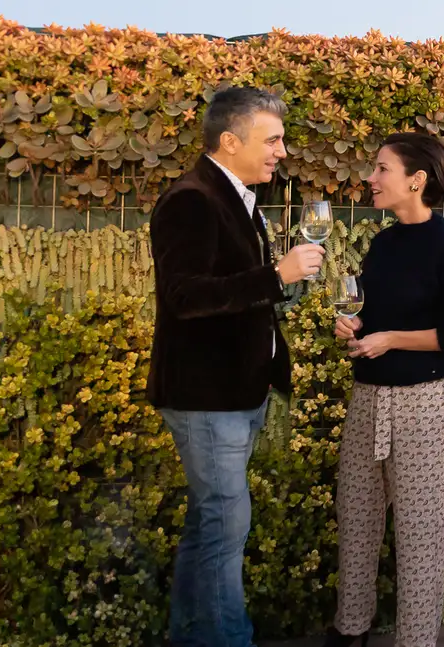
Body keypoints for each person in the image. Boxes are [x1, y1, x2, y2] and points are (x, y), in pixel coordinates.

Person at [148, 86, 326, 647]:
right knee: (225, 529)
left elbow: (238, 296)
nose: (281, 151)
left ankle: (190, 638)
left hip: (235, 397)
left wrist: (282, 288)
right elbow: (185, 296)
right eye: (271, 140)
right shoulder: (192, 199)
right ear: (230, 140)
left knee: (209, 531)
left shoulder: (238, 197)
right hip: (208, 399)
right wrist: (277, 276)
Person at [325, 132, 444, 647]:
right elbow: (374, 318)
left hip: (424, 402)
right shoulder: (382, 244)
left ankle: (415, 641)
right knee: (355, 518)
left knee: (421, 533)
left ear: (415, 180)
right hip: (368, 399)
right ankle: (350, 629)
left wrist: (391, 339)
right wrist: (355, 329)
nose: (372, 179)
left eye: (382, 169)